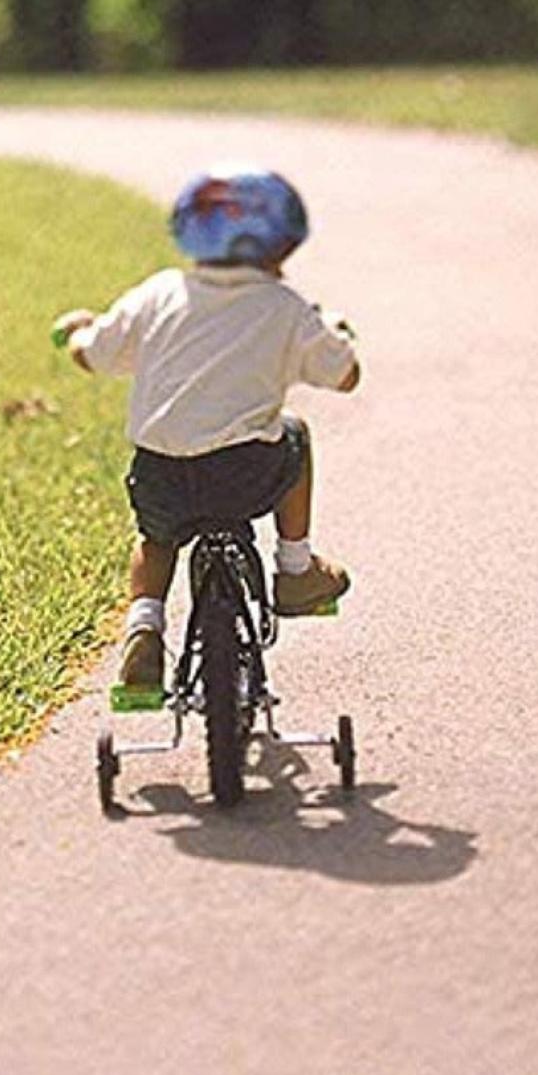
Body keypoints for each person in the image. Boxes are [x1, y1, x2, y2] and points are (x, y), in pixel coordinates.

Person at [54, 165, 360, 696]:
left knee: (156, 540)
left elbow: (97, 354)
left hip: (161, 474)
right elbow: (345, 375)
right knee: (296, 435)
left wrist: (80, 333)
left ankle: (143, 629)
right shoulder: (285, 308)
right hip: (246, 472)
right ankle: (295, 569)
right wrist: (332, 332)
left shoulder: (160, 293)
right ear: (282, 247)